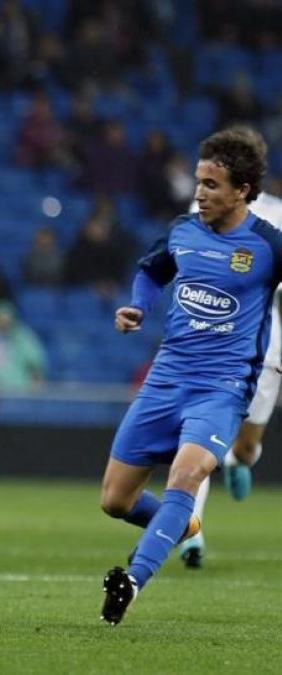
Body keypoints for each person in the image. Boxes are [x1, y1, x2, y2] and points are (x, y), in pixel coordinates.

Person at [98, 127, 282, 625]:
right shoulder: (182, 230)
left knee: (187, 473)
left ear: (243, 190)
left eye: (212, 185)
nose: (199, 192)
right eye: (199, 181)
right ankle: (183, 520)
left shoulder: (268, 244)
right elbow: (152, 271)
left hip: (222, 387)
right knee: (115, 501)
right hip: (166, 379)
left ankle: (132, 580)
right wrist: (137, 307)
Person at [177, 189, 282, 568]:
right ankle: (191, 531)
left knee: (245, 446)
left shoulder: (275, 216)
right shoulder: (202, 207)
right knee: (201, 440)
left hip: (264, 344)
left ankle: (241, 461)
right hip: (214, 341)